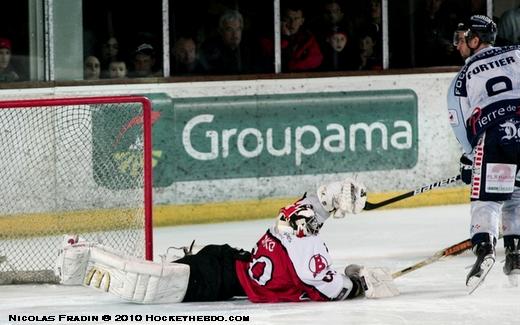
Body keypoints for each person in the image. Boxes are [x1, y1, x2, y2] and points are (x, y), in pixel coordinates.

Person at [55, 179, 398, 303]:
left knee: (163, 274)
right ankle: (90, 255)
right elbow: (326, 285)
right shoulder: (311, 254)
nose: (312, 221)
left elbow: (309, 209)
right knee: (151, 284)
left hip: (223, 262)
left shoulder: (287, 224)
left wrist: (330, 199)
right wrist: (358, 283)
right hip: (220, 277)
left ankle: (88, 250)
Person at [447, 15, 520, 292]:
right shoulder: (517, 52)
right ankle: (515, 255)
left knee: (486, 198)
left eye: (462, 39)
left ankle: (484, 249)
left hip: (495, 136)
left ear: (475, 40)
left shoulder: (463, 76)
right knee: (516, 193)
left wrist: (470, 158)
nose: (458, 44)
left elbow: (458, 120)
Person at [200, 10, 252, 75]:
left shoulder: (250, 48)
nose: (235, 34)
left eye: (238, 29)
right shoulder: (210, 49)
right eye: (229, 29)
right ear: (220, 31)